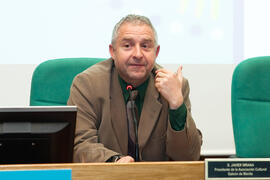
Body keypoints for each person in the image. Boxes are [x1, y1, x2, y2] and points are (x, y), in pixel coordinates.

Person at [68, 14, 202, 163]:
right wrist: (114, 161)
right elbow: (81, 145)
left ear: (156, 52)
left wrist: (176, 105)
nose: (138, 54)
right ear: (113, 51)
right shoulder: (87, 84)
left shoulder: (175, 87)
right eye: (127, 46)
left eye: (145, 46)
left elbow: (189, 157)